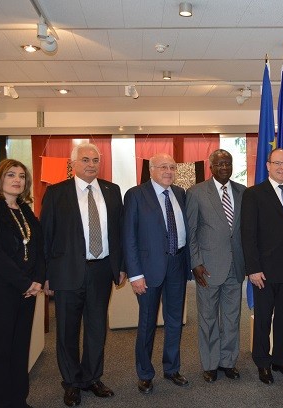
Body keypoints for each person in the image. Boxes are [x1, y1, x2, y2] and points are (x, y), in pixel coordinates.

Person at [40, 143, 125, 407]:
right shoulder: (56, 193)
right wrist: (45, 275)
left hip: (101, 270)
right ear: (73, 163)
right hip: (66, 272)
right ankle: (72, 382)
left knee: (97, 328)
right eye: (85, 159)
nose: (91, 164)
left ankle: (91, 378)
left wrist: (121, 265)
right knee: (66, 330)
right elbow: (46, 236)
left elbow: (118, 233)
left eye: (95, 160)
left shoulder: (112, 191)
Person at [0, 159, 45, 408]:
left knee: (19, 348)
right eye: (11, 175)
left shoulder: (25, 210)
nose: (17, 180)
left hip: (27, 290)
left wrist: (36, 280)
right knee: (0, 350)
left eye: (22, 176)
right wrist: (25, 282)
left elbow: (38, 249)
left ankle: (17, 401)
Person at [123, 153, 191, 394]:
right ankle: (145, 373)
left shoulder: (181, 193)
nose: (169, 171)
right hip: (149, 269)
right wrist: (135, 274)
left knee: (175, 321)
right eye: (163, 167)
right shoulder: (135, 194)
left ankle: (172, 368)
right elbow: (129, 236)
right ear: (151, 169)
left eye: (173, 167)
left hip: (177, 264)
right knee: (147, 323)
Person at [241, 148, 283, 385]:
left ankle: (281, 360)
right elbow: (247, 235)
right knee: (263, 319)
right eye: (277, 163)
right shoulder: (254, 194)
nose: (281, 168)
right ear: (267, 165)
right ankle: (263, 362)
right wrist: (253, 268)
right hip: (264, 272)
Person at [185, 149, 246, 383]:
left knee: (232, 317)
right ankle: (210, 364)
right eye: (219, 164)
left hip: (236, 265)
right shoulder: (196, 192)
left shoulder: (242, 192)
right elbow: (191, 231)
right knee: (208, 317)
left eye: (228, 164)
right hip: (207, 267)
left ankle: (228, 361)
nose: (224, 168)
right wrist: (195, 262)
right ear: (211, 166)